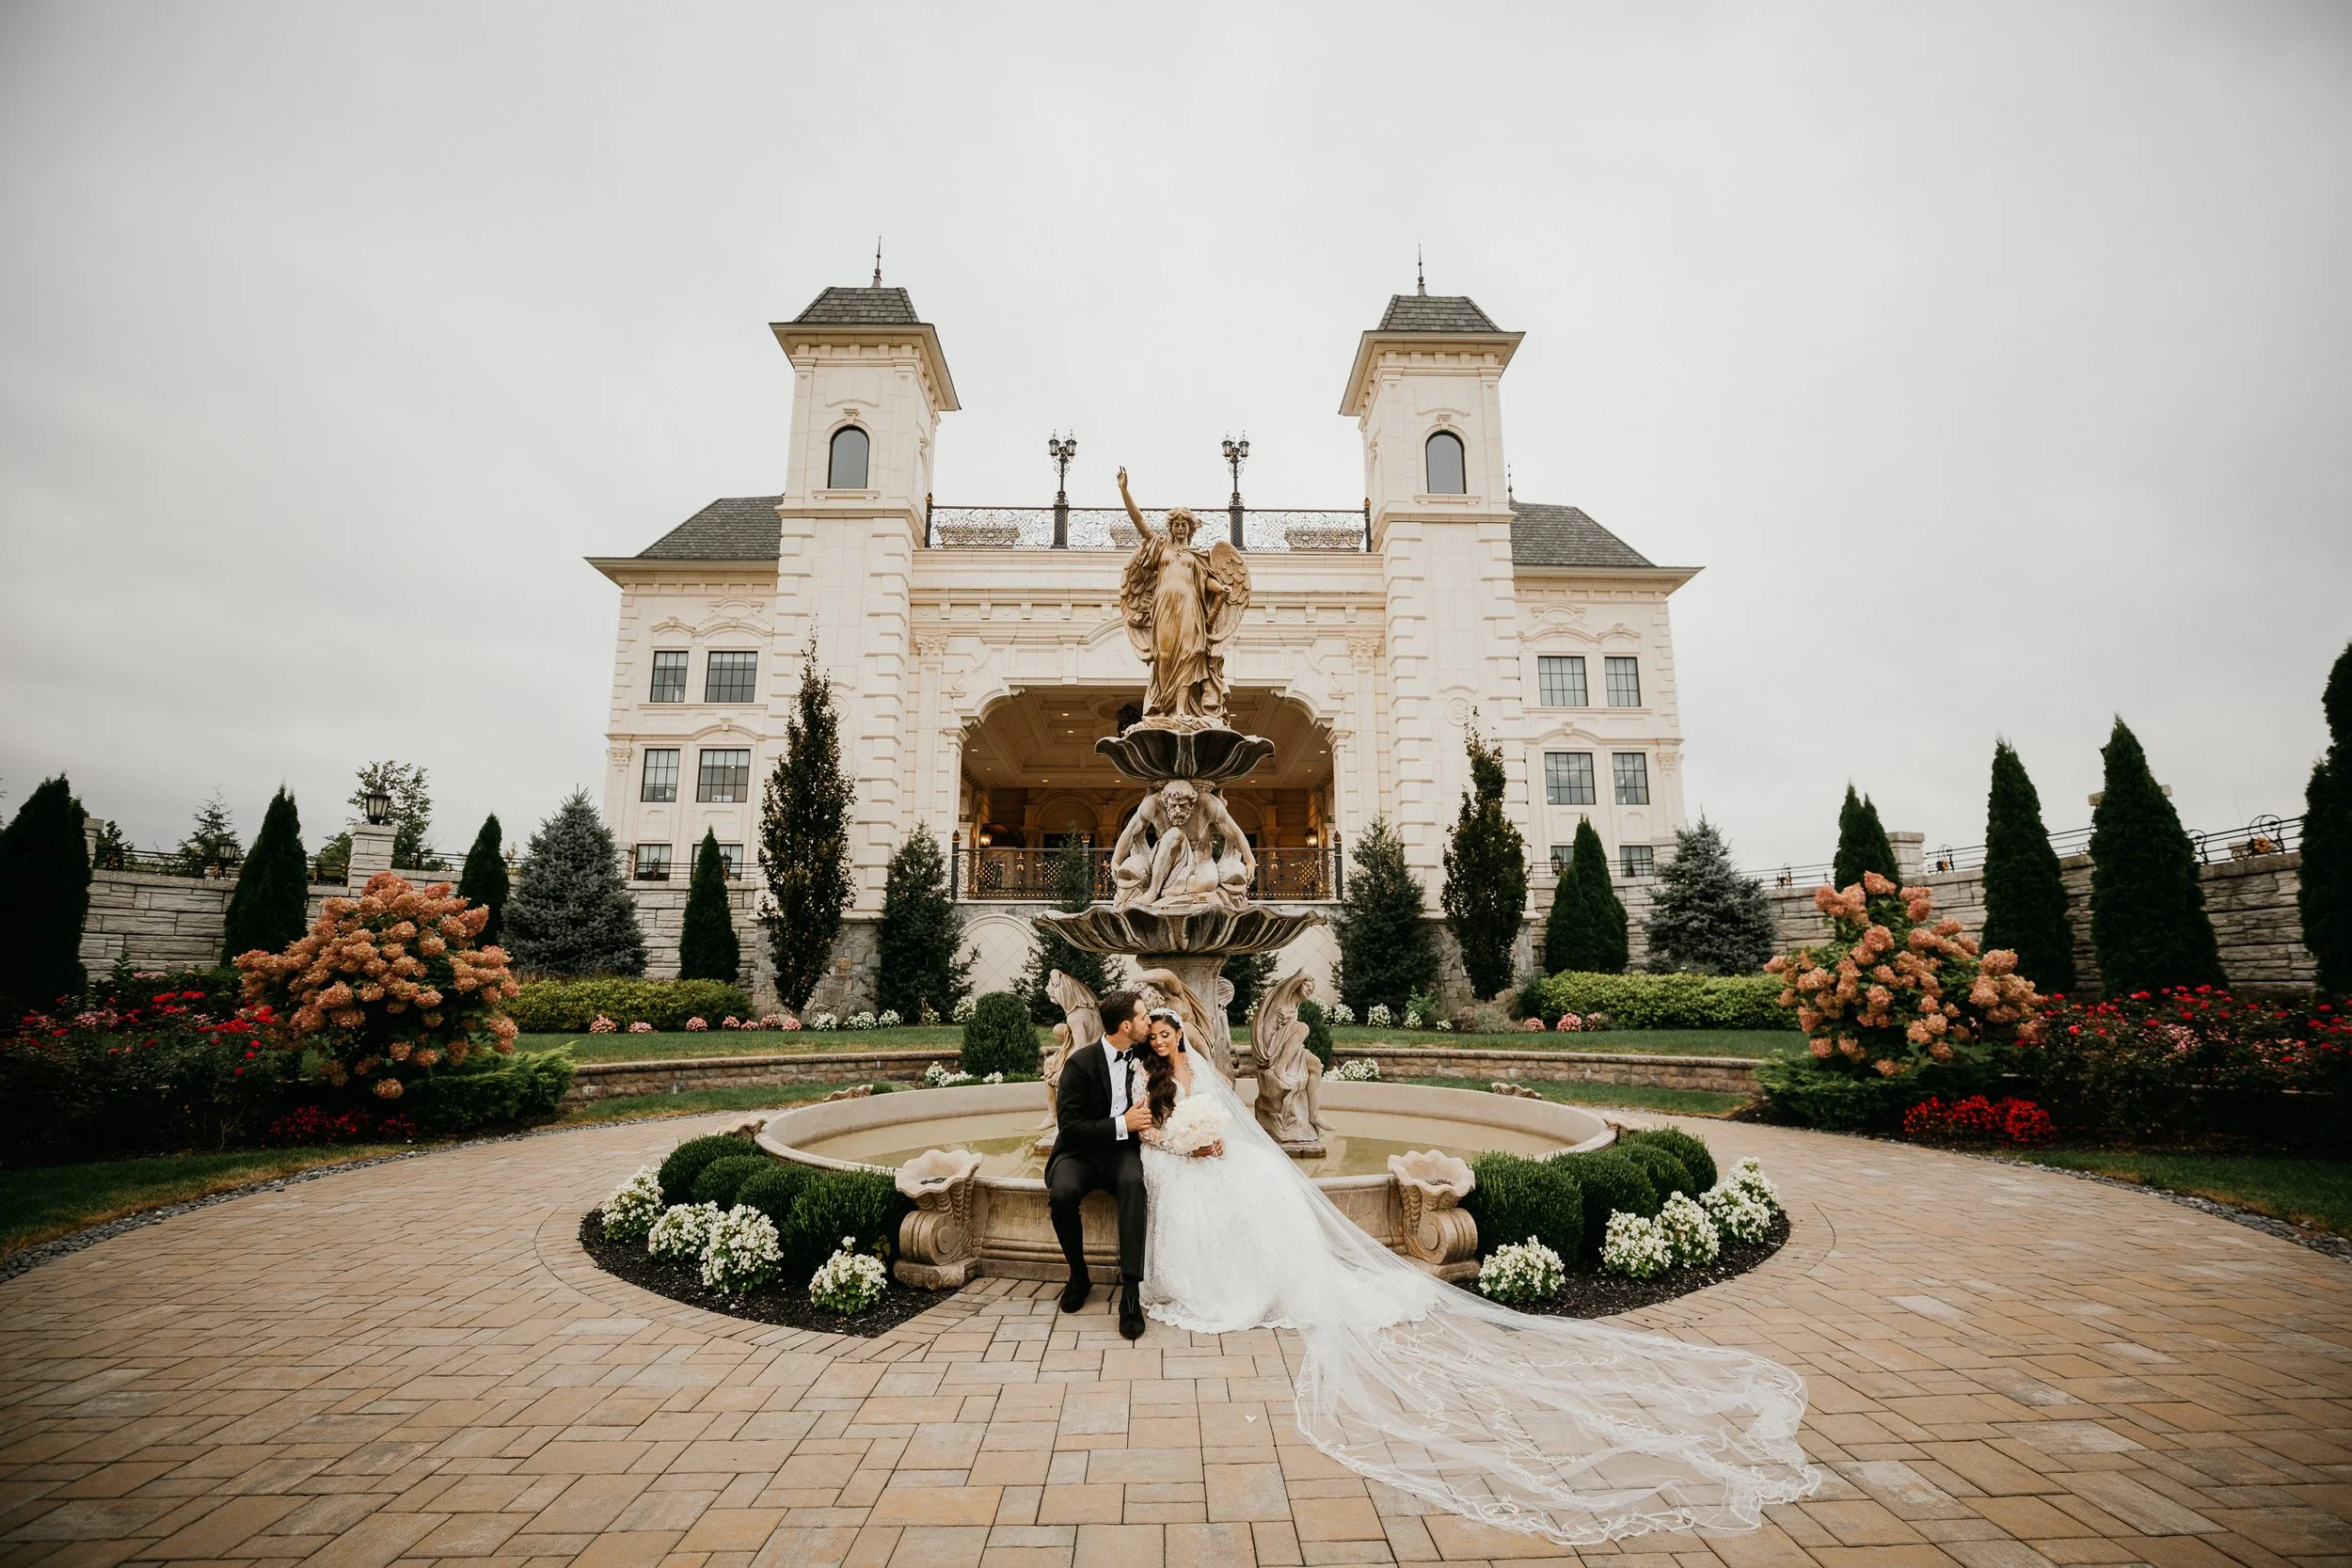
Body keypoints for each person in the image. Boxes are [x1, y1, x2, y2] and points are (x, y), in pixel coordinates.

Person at [1127, 1008, 1821, 1546]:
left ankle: (1253, 1281)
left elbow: (1234, 1128)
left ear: (1180, 1032)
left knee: (1248, 1196)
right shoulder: (1153, 1079)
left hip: (1215, 1158)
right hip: (1182, 1161)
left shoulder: (1204, 1072)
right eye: (1153, 1034)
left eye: (1166, 1031)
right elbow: (1146, 1123)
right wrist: (1172, 1138)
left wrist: (1207, 1139)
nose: (1160, 1040)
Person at [1043, 988, 1152, 1339]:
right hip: (1079, 1151)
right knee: (1062, 1193)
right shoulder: (1080, 1063)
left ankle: (1131, 1293)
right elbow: (1070, 1128)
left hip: (1120, 1154)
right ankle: (1079, 1275)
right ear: (1125, 1026)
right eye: (1143, 1017)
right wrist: (1124, 1124)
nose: (1147, 1021)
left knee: (1134, 1185)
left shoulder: (1145, 1055)